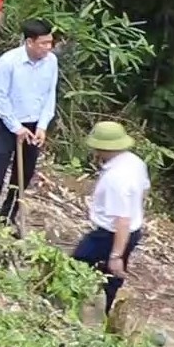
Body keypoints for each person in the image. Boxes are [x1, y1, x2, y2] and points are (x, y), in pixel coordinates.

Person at [0, 19, 59, 234]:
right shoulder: (9, 61)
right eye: (43, 43)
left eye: (50, 42)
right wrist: (15, 127)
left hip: (33, 124)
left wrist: (42, 126)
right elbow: (0, 97)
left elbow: (50, 95)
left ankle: (8, 215)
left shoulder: (51, 62)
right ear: (30, 42)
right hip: (7, 122)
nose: (48, 48)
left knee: (25, 172)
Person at [71, 121, 149, 317]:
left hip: (112, 234)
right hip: (131, 230)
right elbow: (144, 191)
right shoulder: (135, 162)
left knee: (77, 264)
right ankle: (103, 313)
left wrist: (115, 255)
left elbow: (121, 220)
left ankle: (76, 309)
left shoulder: (116, 178)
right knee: (109, 277)